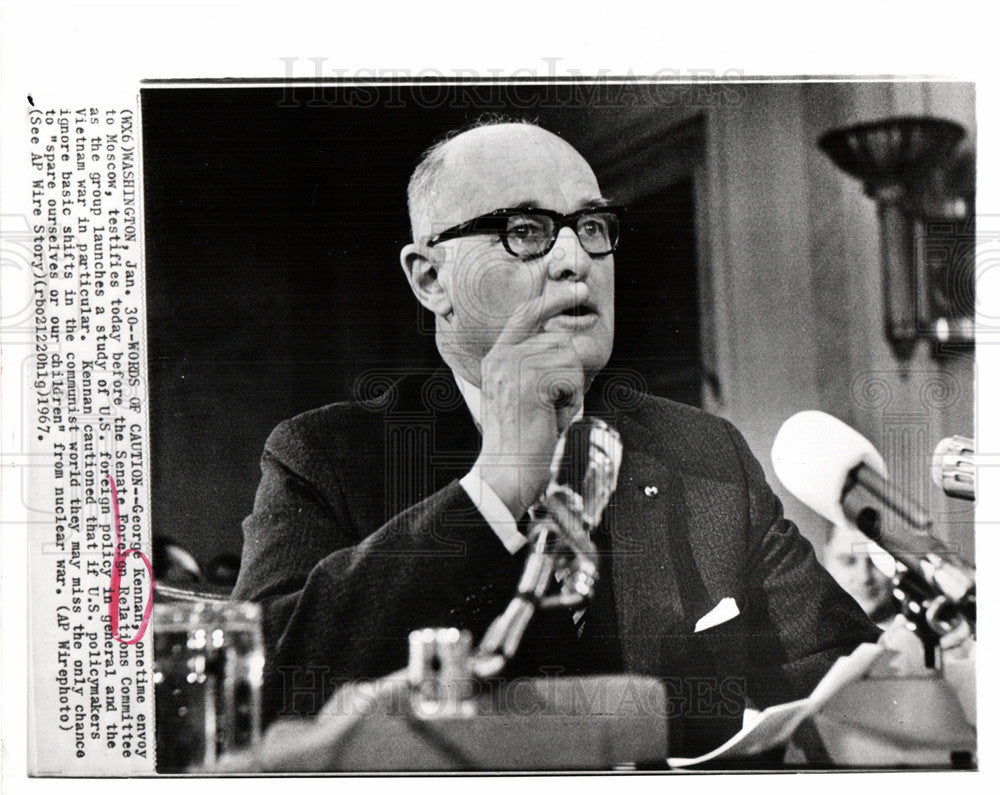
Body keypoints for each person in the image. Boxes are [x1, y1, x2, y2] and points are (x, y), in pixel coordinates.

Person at [232, 119, 880, 758]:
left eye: (592, 228)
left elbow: (846, 680)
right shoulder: (325, 456)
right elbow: (256, 693)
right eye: (525, 231)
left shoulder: (707, 455)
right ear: (430, 279)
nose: (576, 261)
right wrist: (494, 488)